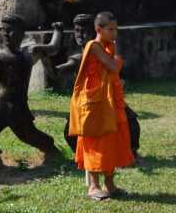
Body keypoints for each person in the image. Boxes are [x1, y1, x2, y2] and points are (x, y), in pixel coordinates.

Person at [0, 16, 63, 168]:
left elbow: (52, 48)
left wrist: (57, 31)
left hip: (19, 107)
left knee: (30, 136)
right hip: (2, 106)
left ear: (21, 33)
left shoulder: (30, 53)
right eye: (3, 30)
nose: (5, 34)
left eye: (10, 30)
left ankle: (52, 151)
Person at [69, 12, 134, 201]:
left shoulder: (109, 46)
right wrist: (117, 54)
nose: (115, 33)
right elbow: (113, 67)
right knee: (94, 142)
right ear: (99, 29)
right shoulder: (94, 46)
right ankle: (94, 186)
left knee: (111, 141)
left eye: (116, 29)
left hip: (109, 102)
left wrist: (114, 50)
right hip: (94, 104)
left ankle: (110, 184)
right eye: (111, 29)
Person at [57, 14, 141, 158]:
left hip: (108, 95)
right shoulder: (80, 56)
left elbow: (115, 67)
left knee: (130, 122)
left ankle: (129, 151)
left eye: (84, 31)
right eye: (77, 30)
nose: (80, 35)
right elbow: (63, 68)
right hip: (87, 99)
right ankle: (89, 155)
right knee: (73, 130)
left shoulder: (102, 48)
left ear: (95, 31)